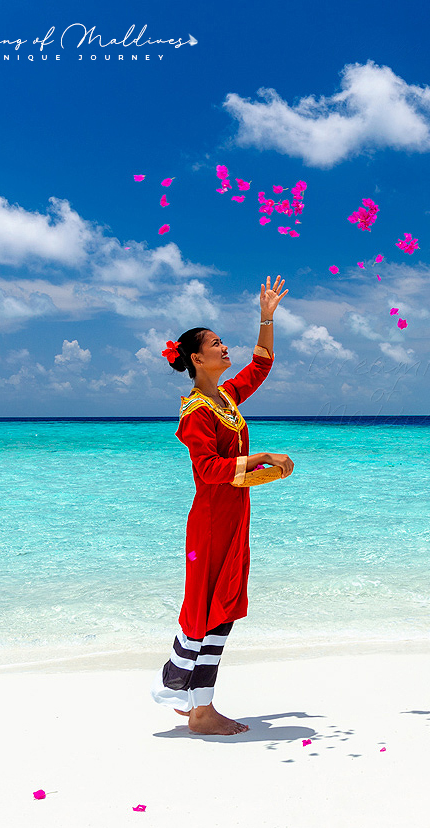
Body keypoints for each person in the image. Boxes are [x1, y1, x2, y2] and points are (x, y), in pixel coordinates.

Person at [151, 276, 294, 735]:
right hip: (212, 521)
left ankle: (185, 693)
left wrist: (266, 317)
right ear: (197, 359)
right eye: (216, 344)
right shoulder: (196, 409)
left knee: (220, 606)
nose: (224, 347)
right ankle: (199, 707)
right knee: (211, 608)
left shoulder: (226, 397)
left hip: (232, 515)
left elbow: (261, 365)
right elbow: (209, 469)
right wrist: (260, 457)